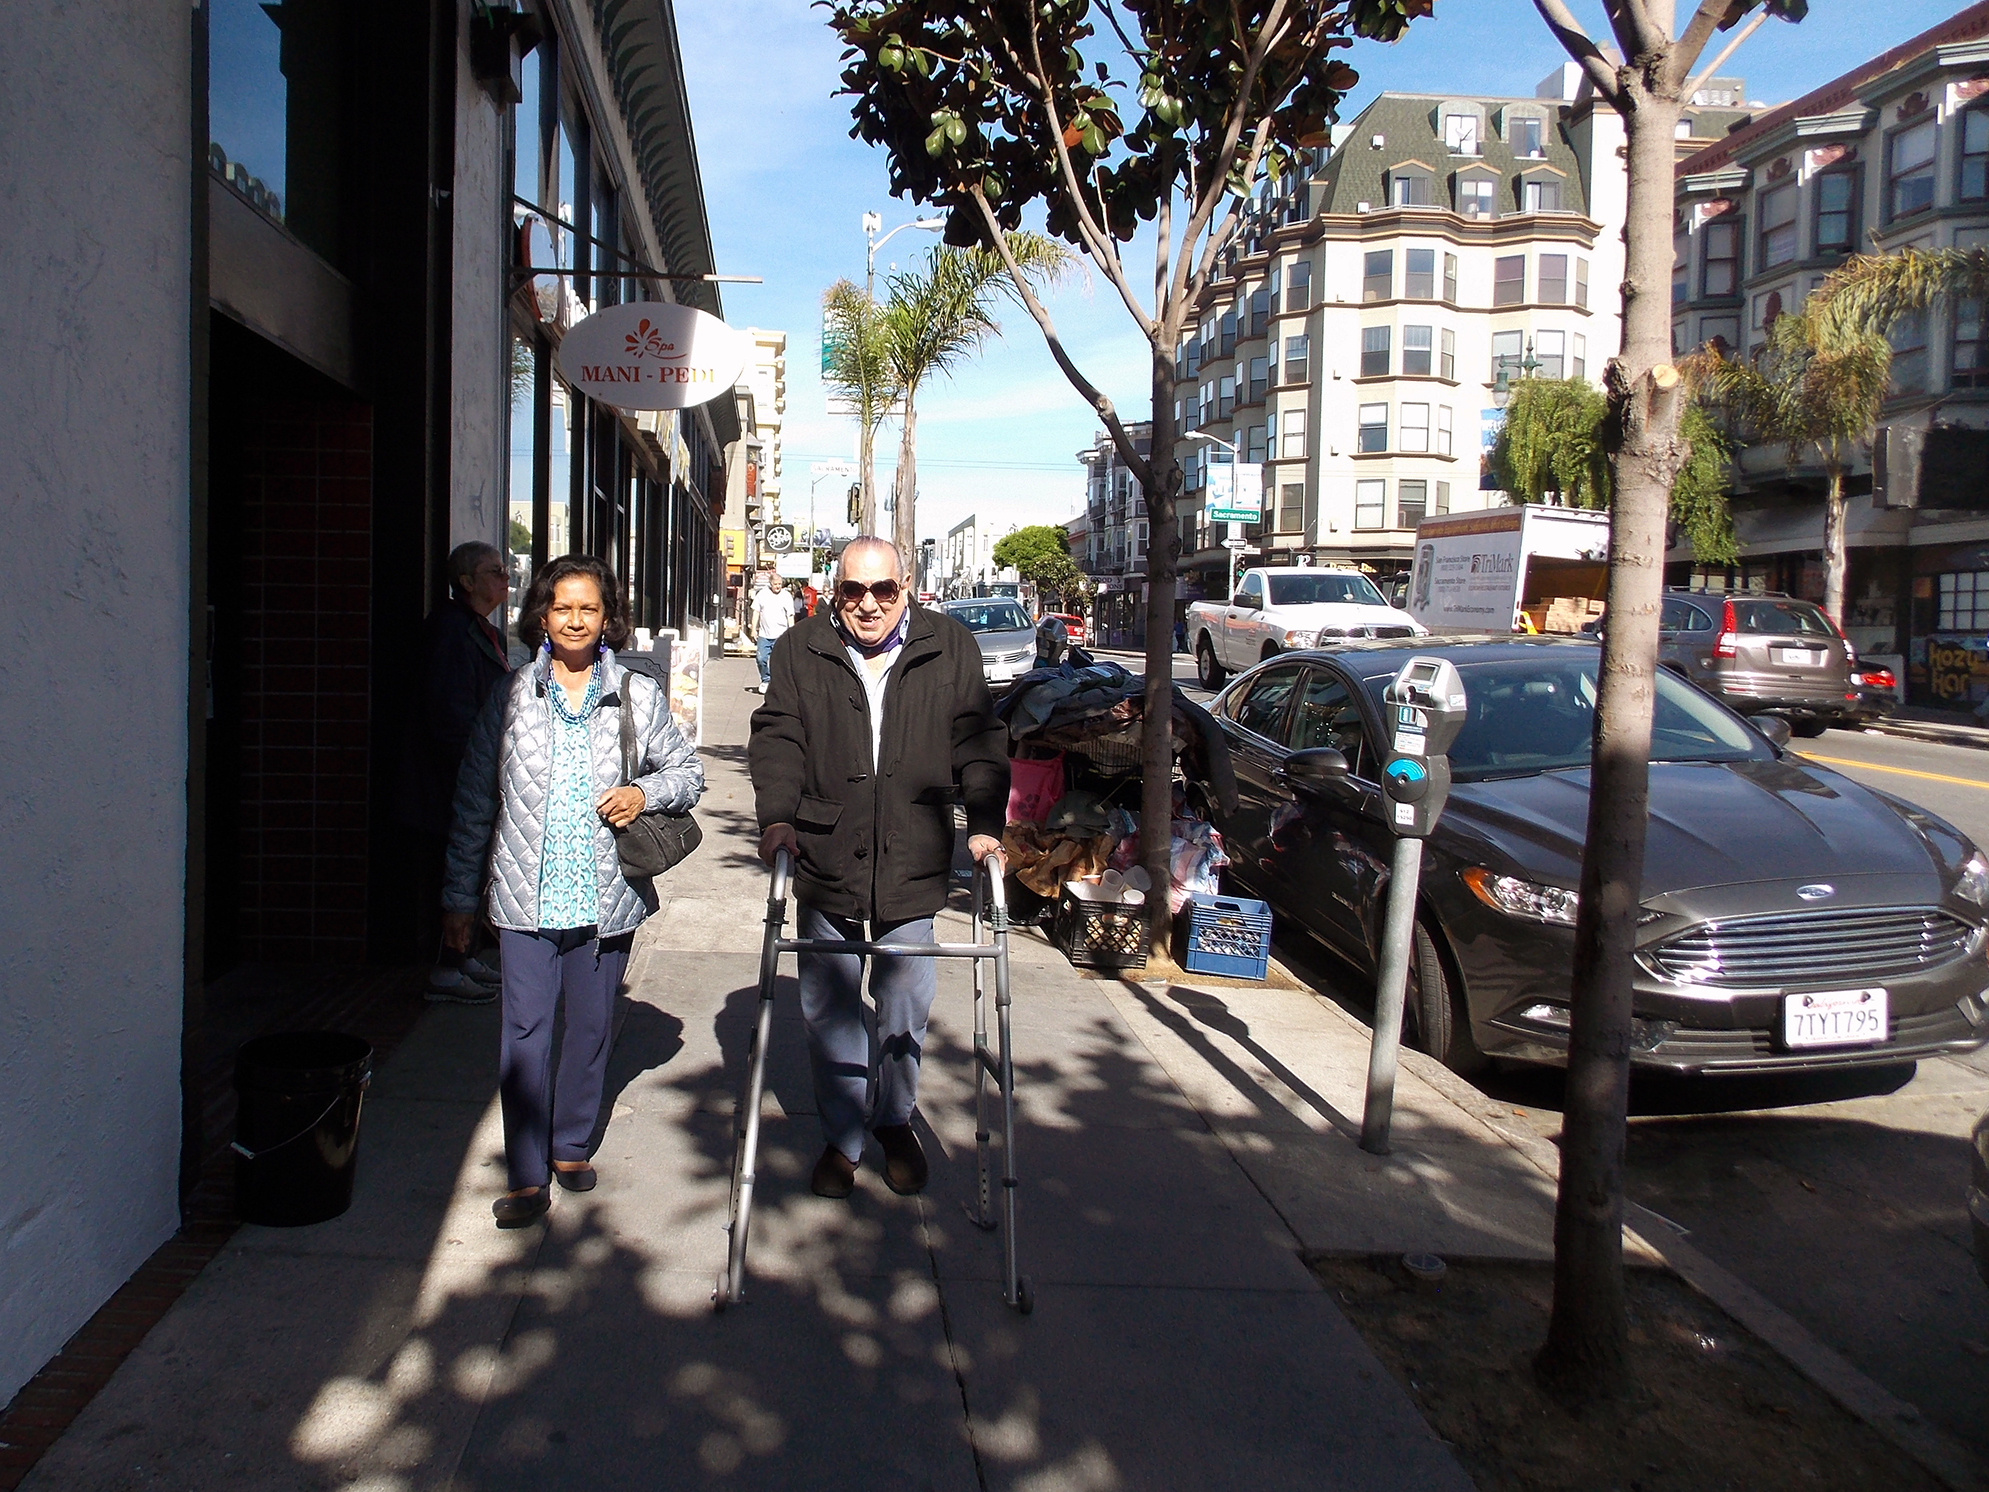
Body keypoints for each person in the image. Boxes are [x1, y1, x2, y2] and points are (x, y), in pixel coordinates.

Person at [443, 555, 705, 1228]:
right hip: (523, 893)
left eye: (588, 608)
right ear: (541, 614)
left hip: (604, 893)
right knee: (524, 1032)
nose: (575, 620)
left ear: (607, 616)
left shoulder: (635, 695)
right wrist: (458, 896)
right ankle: (526, 1174)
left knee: (589, 1028)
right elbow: (475, 799)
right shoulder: (508, 695)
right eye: (562, 607)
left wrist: (644, 790)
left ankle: (568, 1145)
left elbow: (688, 773)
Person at [749, 536, 1009, 1199]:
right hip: (824, 849)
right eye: (852, 591)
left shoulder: (949, 646)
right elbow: (777, 735)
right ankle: (842, 1136)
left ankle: (893, 1119)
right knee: (828, 1007)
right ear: (834, 591)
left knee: (902, 1000)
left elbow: (978, 741)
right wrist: (776, 817)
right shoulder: (800, 649)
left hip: (911, 853)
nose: (867, 604)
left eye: (882, 590)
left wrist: (982, 826)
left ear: (907, 585)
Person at [398, 541, 513, 1004]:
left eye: (504, 570)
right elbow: (450, 717)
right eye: (493, 571)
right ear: (466, 582)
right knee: (451, 869)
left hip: (470, 778)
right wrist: (480, 771)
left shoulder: (484, 632)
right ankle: (445, 966)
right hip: (447, 784)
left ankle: (461, 956)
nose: (504, 578)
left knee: (469, 871)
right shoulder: (451, 631)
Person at [750, 569, 791, 694]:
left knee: (779, 661)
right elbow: (756, 612)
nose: (778, 586)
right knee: (761, 658)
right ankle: (766, 680)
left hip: (781, 634)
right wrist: (753, 629)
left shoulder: (786, 596)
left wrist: (792, 632)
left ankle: (778, 683)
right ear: (770, 584)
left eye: (780, 584)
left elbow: (790, 615)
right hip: (764, 634)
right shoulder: (762, 594)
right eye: (775, 584)